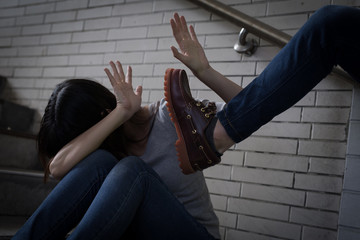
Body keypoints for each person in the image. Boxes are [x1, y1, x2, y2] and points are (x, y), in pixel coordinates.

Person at [12, 4, 359, 240]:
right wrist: (119, 113)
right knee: (113, 164)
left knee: (133, 170)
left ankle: (211, 141)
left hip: (194, 233)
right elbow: (57, 169)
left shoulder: (168, 114)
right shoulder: (104, 154)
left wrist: (205, 71)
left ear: (98, 112)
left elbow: (253, 107)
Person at [165, 5, 360, 174]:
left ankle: (215, 137)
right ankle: (215, 138)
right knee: (331, 25)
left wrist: (204, 71)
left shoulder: (155, 113)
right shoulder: (137, 156)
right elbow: (249, 107)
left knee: (331, 25)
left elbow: (247, 105)